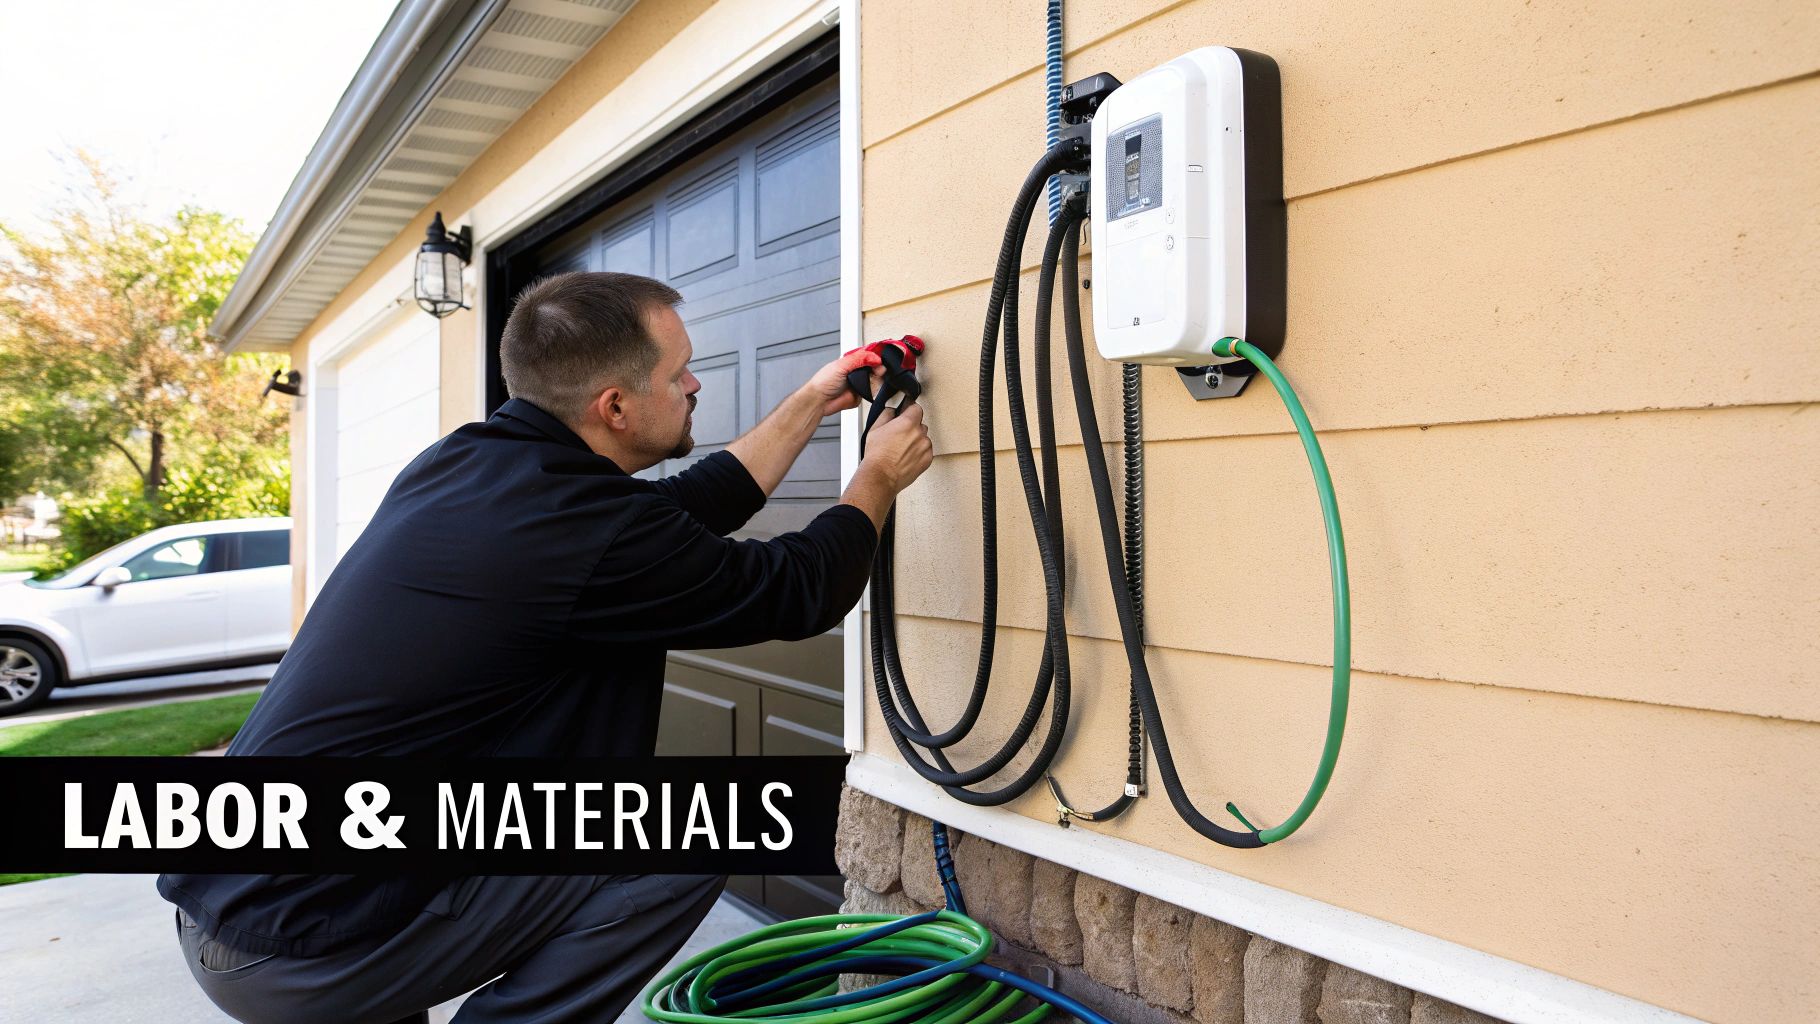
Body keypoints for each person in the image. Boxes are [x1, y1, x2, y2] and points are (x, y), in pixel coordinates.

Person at [156, 271, 933, 1024]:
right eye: (680, 373)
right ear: (616, 405)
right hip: (295, 942)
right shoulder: (584, 532)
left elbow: (689, 507)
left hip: (251, 892)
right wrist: (875, 478)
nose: (695, 385)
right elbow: (799, 589)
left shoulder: (474, 463)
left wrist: (811, 401)